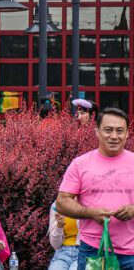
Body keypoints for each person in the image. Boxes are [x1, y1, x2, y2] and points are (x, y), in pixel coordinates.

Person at [57, 106, 134, 269]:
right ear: (97, 131)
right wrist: (90, 213)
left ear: (127, 133)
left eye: (120, 131)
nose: (114, 136)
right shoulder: (80, 164)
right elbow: (62, 202)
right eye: (108, 130)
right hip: (92, 251)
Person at [48, 201, 79, 270]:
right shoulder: (56, 205)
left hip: (83, 251)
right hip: (62, 252)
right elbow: (55, 245)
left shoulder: (88, 203)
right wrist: (59, 225)